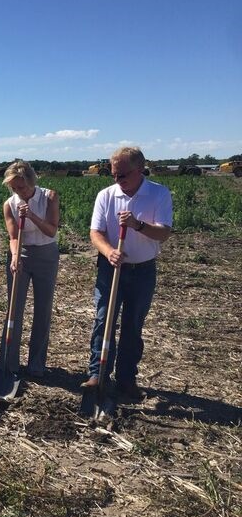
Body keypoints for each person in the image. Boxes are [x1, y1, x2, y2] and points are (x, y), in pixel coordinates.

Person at [83, 146, 173, 399]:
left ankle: (126, 379)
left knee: (133, 325)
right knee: (104, 321)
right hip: (110, 269)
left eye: (122, 175)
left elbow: (164, 233)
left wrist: (137, 225)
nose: (117, 180)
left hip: (142, 270)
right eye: (113, 175)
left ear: (139, 169)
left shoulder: (158, 194)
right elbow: (96, 233)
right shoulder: (106, 195)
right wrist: (109, 251)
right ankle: (97, 375)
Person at [0, 161, 60, 379]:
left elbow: (51, 231)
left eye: (21, 187)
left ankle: (36, 365)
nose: (18, 192)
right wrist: (15, 256)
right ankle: (9, 362)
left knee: (42, 310)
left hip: (46, 254)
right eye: (14, 188)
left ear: (31, 182)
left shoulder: (49, 197)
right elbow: (14, 236)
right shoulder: (10, 204)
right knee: (14, 308)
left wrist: (32, 215)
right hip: (21, 255)